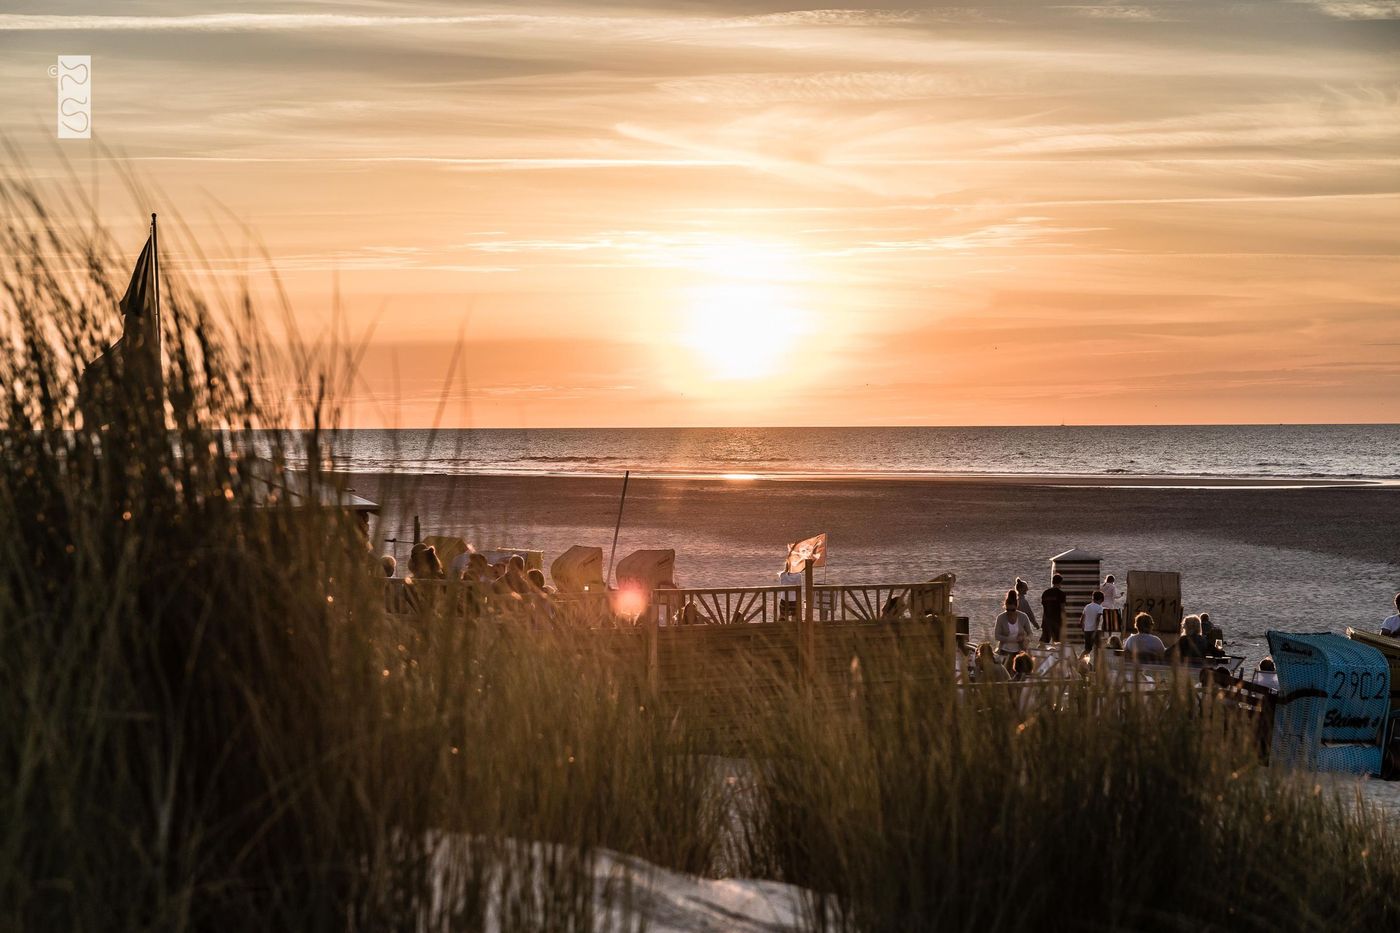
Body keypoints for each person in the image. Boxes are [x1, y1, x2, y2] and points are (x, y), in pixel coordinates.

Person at [994, 589, 1032, 665]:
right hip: (1004, 651)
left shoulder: (1023, 616)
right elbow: (997, 636)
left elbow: (1030, 633)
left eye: (1013, 610)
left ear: (1016, 606)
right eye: (1008, 610)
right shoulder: (1000, 618)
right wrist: (1010, 639)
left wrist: (1025, 639)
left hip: (1019, 651)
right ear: (1005, 607)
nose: (1010, 612)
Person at [1039, 574, 1067, 644]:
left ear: (1052, 582)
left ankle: (1038, 654)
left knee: (1043, 642)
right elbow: (1062, 609)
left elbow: (1044, 606)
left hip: (1046, 621)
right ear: (1061, 582)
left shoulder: (1045, 593)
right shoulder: (1061, 594)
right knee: (1058, 643)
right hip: (1057, 622)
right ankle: (1055, 654)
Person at [1080, 589, 1106, 655]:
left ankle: (1078, 661)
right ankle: (1097, 664)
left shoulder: (1087, 606)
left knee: (1087, 649)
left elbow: (1082, 619)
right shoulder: (1100, 608)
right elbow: (1098, 619)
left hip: (1087, 630)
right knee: (1099, 649)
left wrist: (1083, 628)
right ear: (1101, 599)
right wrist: (1095, 630)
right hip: (1096, 631)